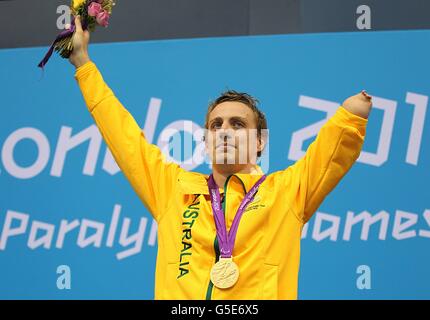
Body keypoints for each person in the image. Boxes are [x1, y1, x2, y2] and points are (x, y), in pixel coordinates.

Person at [69, 16, 372, 299]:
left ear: (259, 143)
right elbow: (124, 138)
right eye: (216, 125)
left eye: (237, 124)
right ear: (205, 141)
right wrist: (83, 65)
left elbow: (331, 154)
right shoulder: (173, 189)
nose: (224, 131)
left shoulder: (287, 192)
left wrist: (350, 118)